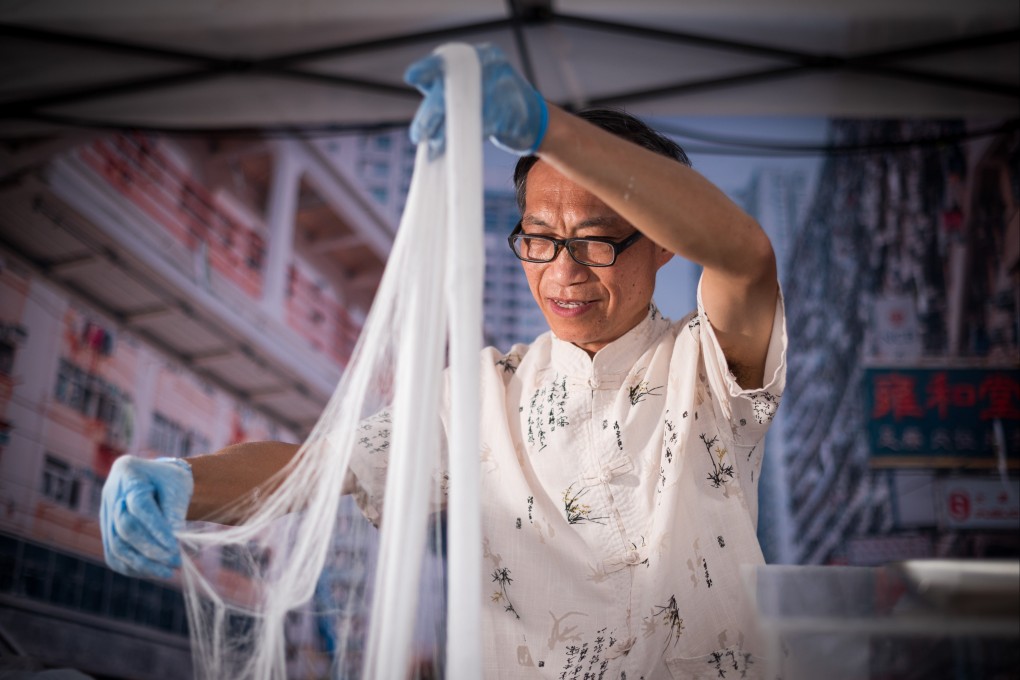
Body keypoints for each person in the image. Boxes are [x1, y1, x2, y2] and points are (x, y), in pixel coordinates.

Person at [101, 44, 785, 678]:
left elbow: (745, 256)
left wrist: (549, 128)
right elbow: (320, 466)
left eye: (596, 241)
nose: (562, 272)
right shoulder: (480, 395)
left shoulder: (708, 366)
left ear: (662, 244)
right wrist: (181, 481)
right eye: (539, 240)